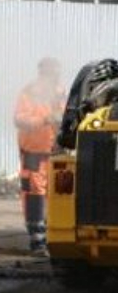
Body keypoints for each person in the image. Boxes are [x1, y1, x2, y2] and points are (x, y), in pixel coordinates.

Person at [14, 57, 66, 257]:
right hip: (33, 150)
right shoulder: (29, 93)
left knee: (54, 193)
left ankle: (51, 237)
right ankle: (37, 240)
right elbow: (19, 119)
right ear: (43, 72)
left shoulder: (60, 92)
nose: (54, 75)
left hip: (54, 150)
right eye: (52, 71)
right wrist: (44, 119)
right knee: (34, 192)